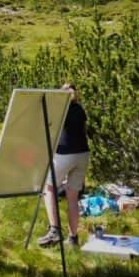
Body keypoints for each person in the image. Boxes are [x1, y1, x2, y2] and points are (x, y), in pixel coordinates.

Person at [38, 82, 90, 248]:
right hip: (83, 153)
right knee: (72, 196)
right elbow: (82, 130)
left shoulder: (61, 109)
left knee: (49, 187)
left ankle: (54, 230)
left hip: (65, 153)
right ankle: (73, 238)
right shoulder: (80, 109)